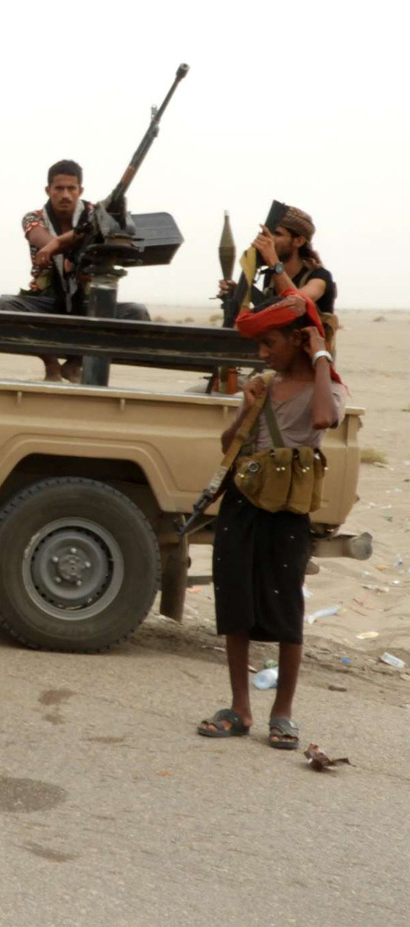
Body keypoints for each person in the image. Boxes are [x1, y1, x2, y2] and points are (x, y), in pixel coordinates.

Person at [196, 290, 345, 750]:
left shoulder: (331, 387)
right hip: (243, 502)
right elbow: (229, 443)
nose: (262, 354)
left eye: (271, 343)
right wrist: (248, 406)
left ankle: (283, 713)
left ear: (298, 340)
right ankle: (240, 709)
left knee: (286, 611)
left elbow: (324, 417)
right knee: (236, 602)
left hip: (287, 511)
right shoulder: (265, 385)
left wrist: (321, 357)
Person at [0, 160, 150, 382]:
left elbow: (120, 235)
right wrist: (59, 246)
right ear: (49, 190)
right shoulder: (34, 217)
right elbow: (44, 241)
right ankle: (51, 364)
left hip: (88, 300)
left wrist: (64, 247)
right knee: (3, 306)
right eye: (59, 188)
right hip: (46, 301)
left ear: (80, 191)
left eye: (71, 189)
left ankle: (75, 364)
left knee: (137, 313)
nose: (65, 195)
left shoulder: (97, 215)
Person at [219, 205, 337, 349]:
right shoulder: (271, 277)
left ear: (298, 241)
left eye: (277, 234)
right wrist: (239, 293)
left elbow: (296, 303)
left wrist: (274, 262)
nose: (270, 240)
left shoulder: (319, 277)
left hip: (311, 363)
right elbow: (268, 313)